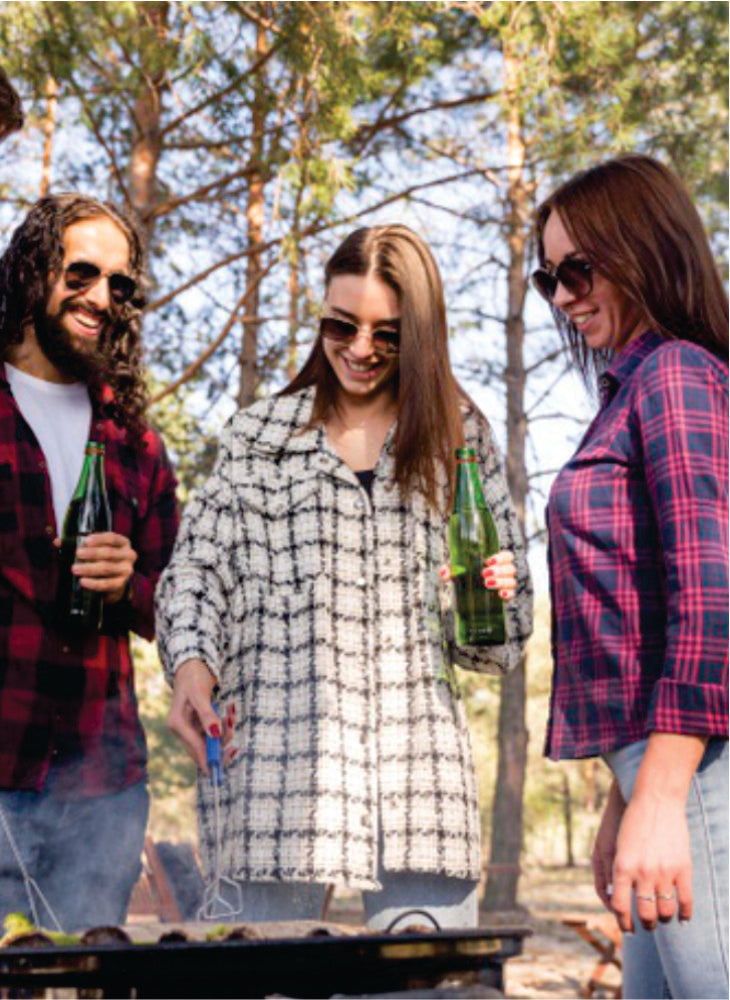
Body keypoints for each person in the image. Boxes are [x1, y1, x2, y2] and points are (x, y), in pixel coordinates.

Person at [156, 223, 533, 929]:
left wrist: (495, 595)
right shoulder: (259, 439)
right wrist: (191, 664)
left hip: (420, 787)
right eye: (341, 324)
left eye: (387, 334)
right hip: (274, 781)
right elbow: (194, 574)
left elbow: (500, 645)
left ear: (420, 336)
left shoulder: (459, 436)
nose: (360, 349)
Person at [535, 154, 728, 999]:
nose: (564, 296)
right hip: (657, 771)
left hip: (696, 773)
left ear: (641, 248)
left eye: (578, 269)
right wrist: (623, 801)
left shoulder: (677, 375)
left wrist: (658, 796)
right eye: (548, 279)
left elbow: (712, 594)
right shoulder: (629, 392)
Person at [0, 193, 179, 931]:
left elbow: (180, 605)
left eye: (120, 286)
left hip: (101, 793)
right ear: (34, 270)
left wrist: (130, 582)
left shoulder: (136, 441)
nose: (102, 298)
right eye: (82, 274)